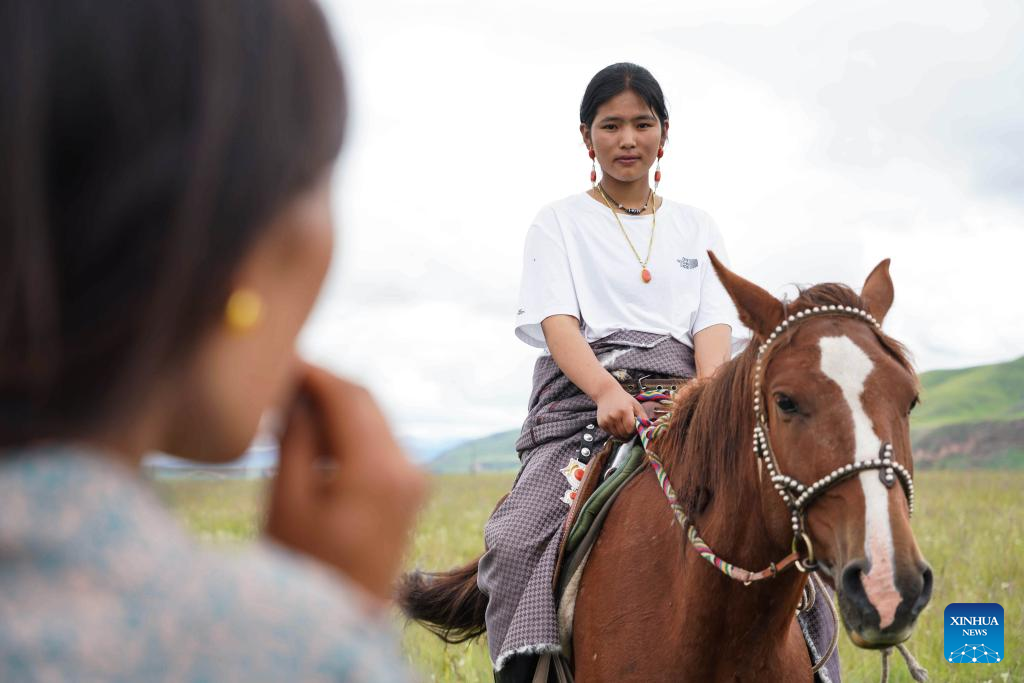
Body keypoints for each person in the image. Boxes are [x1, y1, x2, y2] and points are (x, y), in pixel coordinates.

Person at [0, 1, 425, 681]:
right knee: (526, 534)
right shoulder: (284, 652)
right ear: (244, 258)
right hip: (586, 401)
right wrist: (327, 628)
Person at [473, 62, 745, 681]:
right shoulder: (558, 221)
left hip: (687, 397)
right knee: (515, 545)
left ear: (664, 133)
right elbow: (557, 323)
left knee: (780, 523)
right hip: (584, 406)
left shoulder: (696, 226)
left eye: (642, 124)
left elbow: (713, 325)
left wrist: (702, 399)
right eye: (611, 125)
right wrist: (604, 389)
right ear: (586, 136)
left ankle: (815, 661)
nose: (627, 140)